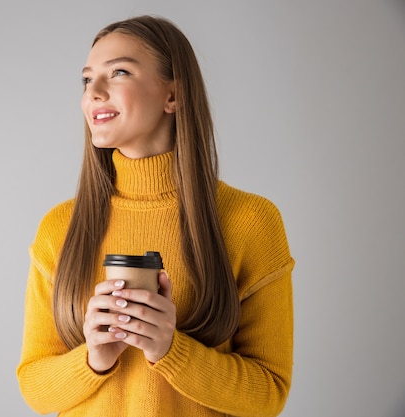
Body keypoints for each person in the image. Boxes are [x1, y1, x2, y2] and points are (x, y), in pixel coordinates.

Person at [17, 14, 294, 417]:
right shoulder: (59, 228)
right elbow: (35, 388)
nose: (93, 92)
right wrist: (94, 358)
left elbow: (269, 394)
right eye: (86, 79)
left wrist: (171, 349)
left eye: (119, 73)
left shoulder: (250, 221)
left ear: (173, 96)